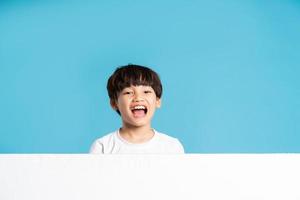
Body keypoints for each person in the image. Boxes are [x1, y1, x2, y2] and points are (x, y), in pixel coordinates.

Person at [89, 64, 184, 154]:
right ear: (114, 103)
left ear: (158, 101)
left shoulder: (172, 147)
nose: (138, 98)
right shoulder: (103, 147)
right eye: (128, 92)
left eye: (146, 91)